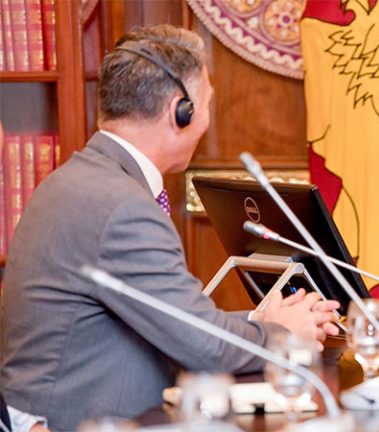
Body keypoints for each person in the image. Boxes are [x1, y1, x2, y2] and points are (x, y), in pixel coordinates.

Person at [0, 25, 339, 431]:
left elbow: (173, 320)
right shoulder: (122, 207)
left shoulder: (77, 179)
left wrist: (258, 320)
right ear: (182, 110)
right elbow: (206, 347)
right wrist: (280, 334)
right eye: (208, 102)